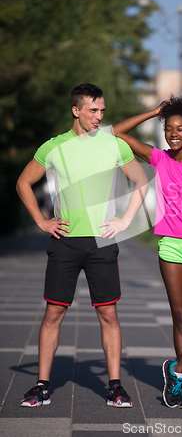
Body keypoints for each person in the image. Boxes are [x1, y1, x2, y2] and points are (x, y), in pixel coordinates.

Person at [16, 83, 148, 408]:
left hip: (102, 242)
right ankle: (42, 385)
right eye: (93, 111)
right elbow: (23, 182)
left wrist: (126, 220)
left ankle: (115, 386)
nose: (99, 117)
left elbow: (141, 181)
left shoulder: (113, 145)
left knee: (109, 315)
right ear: (76, 110)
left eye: (102, 111)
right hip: (65, 242)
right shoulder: (54, 147)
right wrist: (41, 221)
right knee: (53, 314)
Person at [112, 95, 182, 410]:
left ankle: (176, 370)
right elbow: (117, 132)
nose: (174, 134)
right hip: (171, 246)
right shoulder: (159, 159)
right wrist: (155, 111)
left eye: (180, 129)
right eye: (169, 129)